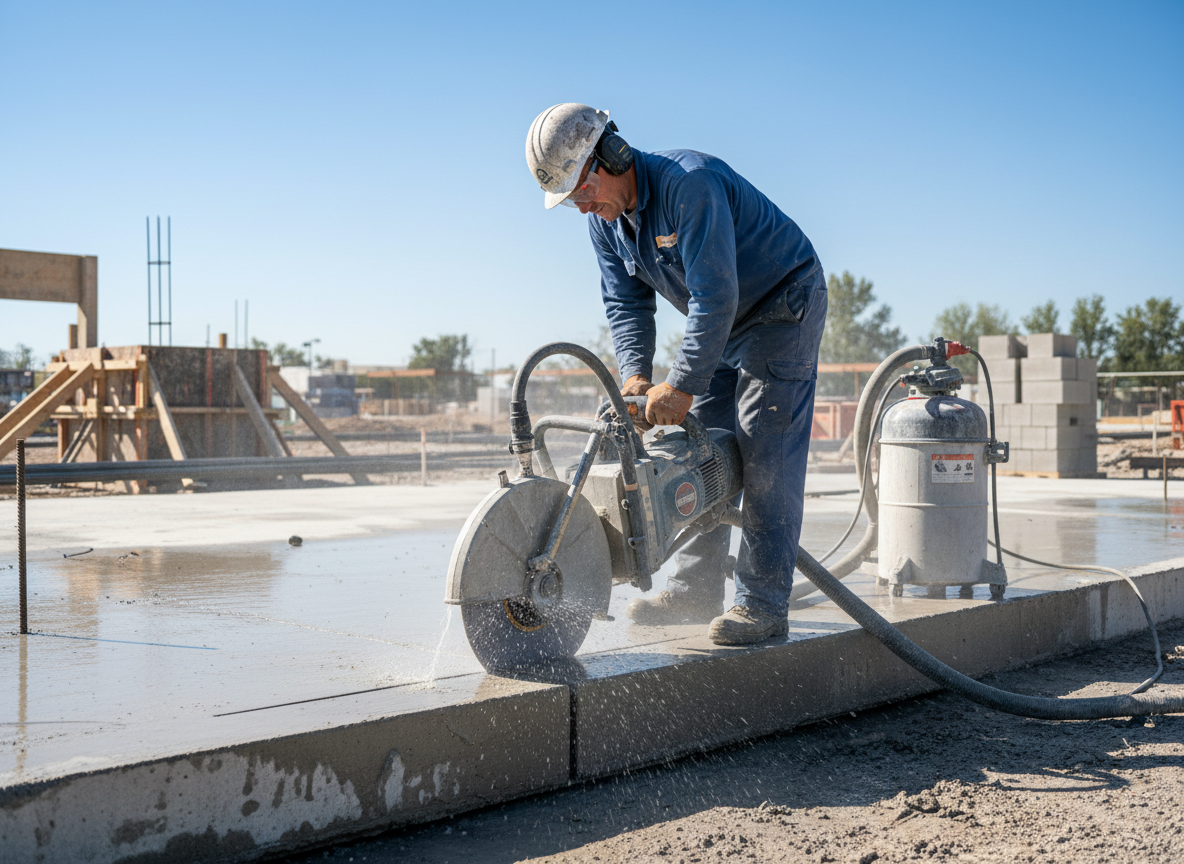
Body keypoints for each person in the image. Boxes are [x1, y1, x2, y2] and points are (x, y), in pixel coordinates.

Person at [525, 103, 827, 646]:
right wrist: (637, 378)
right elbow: (626, 306)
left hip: (783, 305)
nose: (580, 206)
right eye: (569, 198)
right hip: (726, 322)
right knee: (700, 450)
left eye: (581, 189)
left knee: (764, 450)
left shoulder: (691, 185)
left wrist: (683, 384)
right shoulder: (607, 224)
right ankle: (694, 589)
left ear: (611, 155)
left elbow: (715, 295)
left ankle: (762, 604)